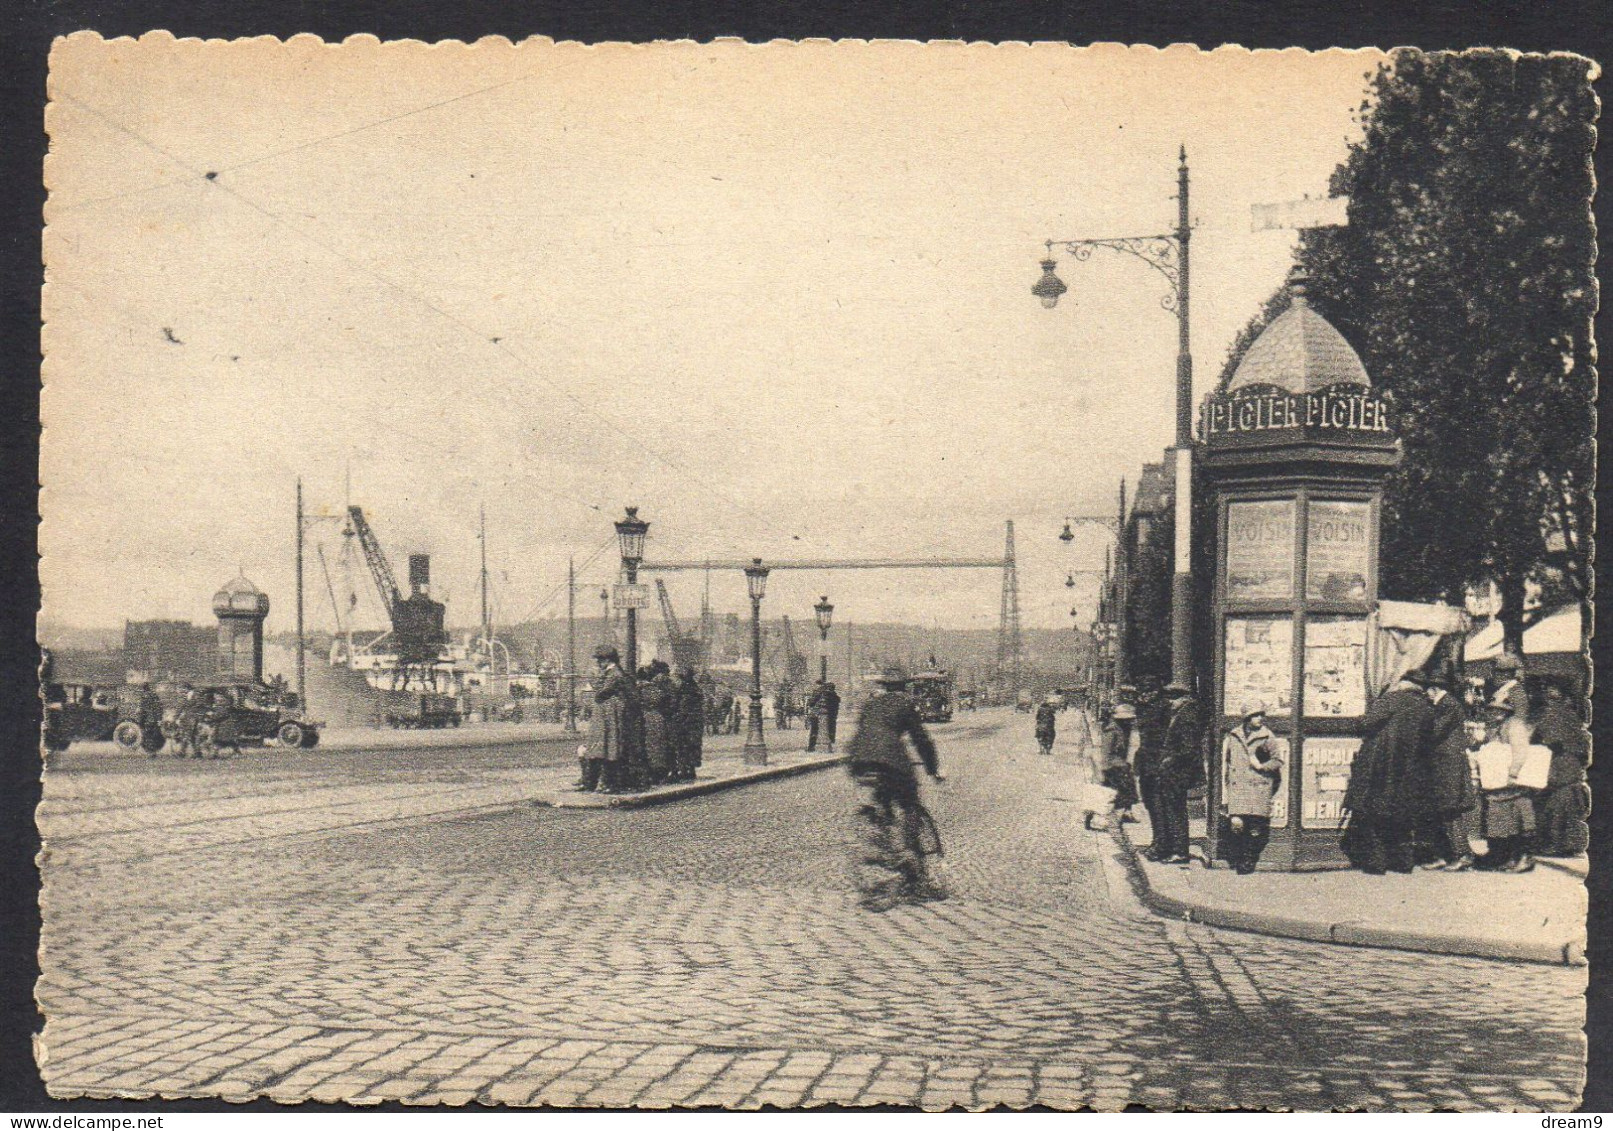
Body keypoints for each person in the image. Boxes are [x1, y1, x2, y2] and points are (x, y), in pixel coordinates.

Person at [845, 666, 946, 911]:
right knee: (910, 801)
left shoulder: (871, 704)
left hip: (858, 758)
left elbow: (864, 732)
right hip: (890, 759)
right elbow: (921, 739)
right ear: (904, 687)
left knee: (883, 798)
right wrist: (933, 769)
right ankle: (908, 855)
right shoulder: (904, 705)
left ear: (883, 686)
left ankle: (882, 834)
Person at [1342, 672, 1434, 874]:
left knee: (1373, 813)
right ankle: (1403, 862)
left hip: (1382, 765)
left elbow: (1366, 723)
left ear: (1403, 683)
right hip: (1410, 769)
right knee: (1402, 816)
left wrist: (1354, 720)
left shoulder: (1392, 699)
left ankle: (1376, 863)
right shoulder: (1426, 708)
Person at [1418, 668, 1480, 871]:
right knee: (1439, 812)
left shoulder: (1448, 705)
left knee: (1450, 811)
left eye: (1427, 691)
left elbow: (1433, 731)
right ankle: (1444, 855)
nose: (1426, 695)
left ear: (1434, 689)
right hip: (1442, 766)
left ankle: (1463, 854)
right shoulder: (1445, 704)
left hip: (1448, 767)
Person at [1475, 686, 1538, 872]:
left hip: (1513, 783)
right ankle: (1509, 857)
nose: (1493, 712)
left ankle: (1525, 858)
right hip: (1500, 783)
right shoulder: (1497, 727)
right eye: (1492, 709)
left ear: (1506, 711)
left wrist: (1513, 772)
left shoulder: (1514, 726)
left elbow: (1520, 751)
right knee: (1503, 821)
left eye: (1497, 709)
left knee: (1520, 821)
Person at [1218, 703, 1283, 874]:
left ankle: (1248, 860)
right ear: (1247, 718)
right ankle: (1239, 857)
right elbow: (1226, 762)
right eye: (1255, 715)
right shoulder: (1233, 735)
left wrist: (1261, 767)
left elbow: (1277, 761)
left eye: (1261, 715)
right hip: (1238, 787)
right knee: (1237, 824)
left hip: (1258, 788)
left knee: (1255, 828)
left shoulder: (1267, 736)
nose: (1260, 718)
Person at [1532, 680, 1589, 857]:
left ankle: (1558, 844)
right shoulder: (1569, 716)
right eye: (1548, 694)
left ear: (1562, 696)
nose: (1549, 697)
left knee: (1559, 804)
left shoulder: (1553, 715)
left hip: (1561, 764)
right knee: (1561, 804)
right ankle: (1564, 843)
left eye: (1553, 694)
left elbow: (1548, 739)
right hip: (1565, 765)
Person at [1152, 682, 1201, 865]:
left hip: (1180, 772)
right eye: (1169, 697)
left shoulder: (1187, 716)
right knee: (1171, 809)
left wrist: (1169, 760)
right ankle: (1174, 848)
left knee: (1176, 811)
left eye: (1173, 697)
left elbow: (1188, 749)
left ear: (1184, 697)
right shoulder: (1181, 713)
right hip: (1174, 772)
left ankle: (1180, 851)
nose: (1170, 701)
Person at [580, 645, 638, 793]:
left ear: (607, 660)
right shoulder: (612, 673)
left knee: (608, 748)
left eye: (600, 660)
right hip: (606, 715)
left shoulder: (614, 674)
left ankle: (606, 783)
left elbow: (601, 693)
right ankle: (598, 782)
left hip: (609, 716)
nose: (598, 663)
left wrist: (594, 680)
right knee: (604, 748)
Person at [1132, 678, 1170, 858]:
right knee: (1149, 804)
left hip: (1157, 765)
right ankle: (1157, 840)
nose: (1143, 696)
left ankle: (1161, 844)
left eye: (1146, 692)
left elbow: (1163, 740)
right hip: (1146, 763)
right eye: (1141, 693)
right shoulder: (1144, 708)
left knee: (1157, 805)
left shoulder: (1163, 708)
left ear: (1156, 691)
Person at [1099, 703, 1140, 825]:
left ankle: (1126, 813)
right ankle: (1105, 816)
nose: (1130, 722)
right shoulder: (1112, 730)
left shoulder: (1123, 730)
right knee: (1113, 792)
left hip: (1121, 765)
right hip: (1113, 767)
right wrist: (1104, 769)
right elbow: (1106, 751)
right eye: (1127, 720)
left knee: (1128, 789)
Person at [639, 661, 676, 787]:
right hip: (663, 717)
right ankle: (664, 772)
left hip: (650, 717)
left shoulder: (652, 684)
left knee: (652, 746)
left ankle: (653, 774)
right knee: (661, 745)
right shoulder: (669, 682)